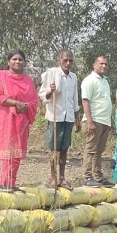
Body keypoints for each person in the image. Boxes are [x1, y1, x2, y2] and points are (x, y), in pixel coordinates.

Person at [0, 49, 39, 193]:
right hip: (6, 118)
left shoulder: (28, 80)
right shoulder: (1, 76)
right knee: (8, 150)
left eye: (20, 59)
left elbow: (34, 100)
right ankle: (4, 183)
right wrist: (16, 103)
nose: (17, 62)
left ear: (24, 62)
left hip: (22, 120)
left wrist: (26, 106)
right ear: (8, 62)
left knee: (17, 152)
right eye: (14, 59)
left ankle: (12, 182)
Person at [38, 49, 81, 190]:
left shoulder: (74, 77)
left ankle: (62, 178)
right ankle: (53, 176)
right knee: (53, 148)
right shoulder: (51, 74)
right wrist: (51, 91)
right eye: (65, 60)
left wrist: (77, 118)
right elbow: (43, 96)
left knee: (64, 148)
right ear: (59, 60)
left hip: (68, 117)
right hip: (55, 116)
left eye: (70, 61)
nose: (68, 63)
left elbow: (75, 99)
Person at [80, 56, 115, 188]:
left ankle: (98, 176)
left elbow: (105, 101)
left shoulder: (105, 81)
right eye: (101, 63)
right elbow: (85, 101)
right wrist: (89, 122)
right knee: (91, 149)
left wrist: (110, 120)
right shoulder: (89, 80)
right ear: (94, 65)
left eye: (106, 64)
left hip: (104, 120)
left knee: (99, 151)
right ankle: (87, 176)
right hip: (94, 120)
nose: (104, 66)